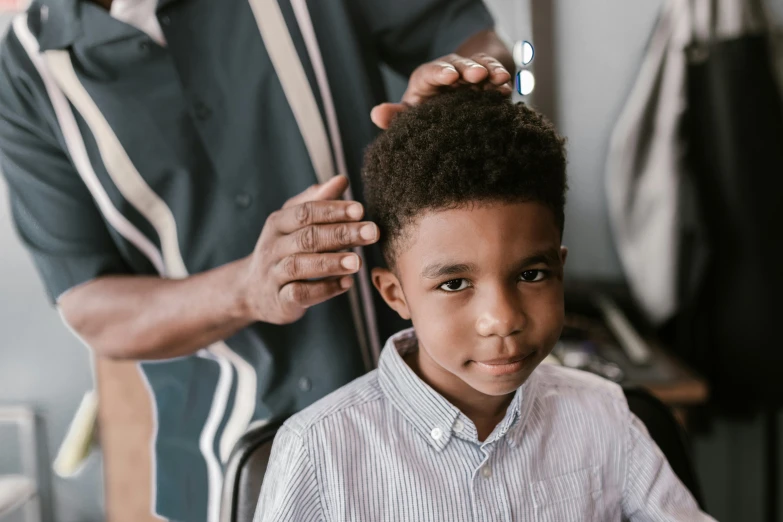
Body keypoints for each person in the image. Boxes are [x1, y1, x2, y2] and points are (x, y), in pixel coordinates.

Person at [0, 1, 514, 520]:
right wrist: (246, 288)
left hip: (439, 425)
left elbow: (480, 43)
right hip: (223, 470)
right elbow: (89, 306)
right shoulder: (23, 72)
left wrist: (465, 90)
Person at [254, 88, 715, 521]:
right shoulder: (318, 450)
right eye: (455, 284)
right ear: (396, 294)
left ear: (560, 268)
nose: (503, 320)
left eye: (531, 275)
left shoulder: (603, 416)